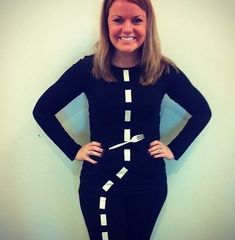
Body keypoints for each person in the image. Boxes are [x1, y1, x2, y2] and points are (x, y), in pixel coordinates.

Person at [33, 0, 212, 239]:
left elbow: (202, 111)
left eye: (137, 20)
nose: (127, 29)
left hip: (149, 185)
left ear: (148, 25)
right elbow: (43, 110)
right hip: (100, 184)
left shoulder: (162, 70)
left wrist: (174, 148)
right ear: (106, 24)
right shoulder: (89, 69)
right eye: (118, 20)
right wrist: (73, 149)